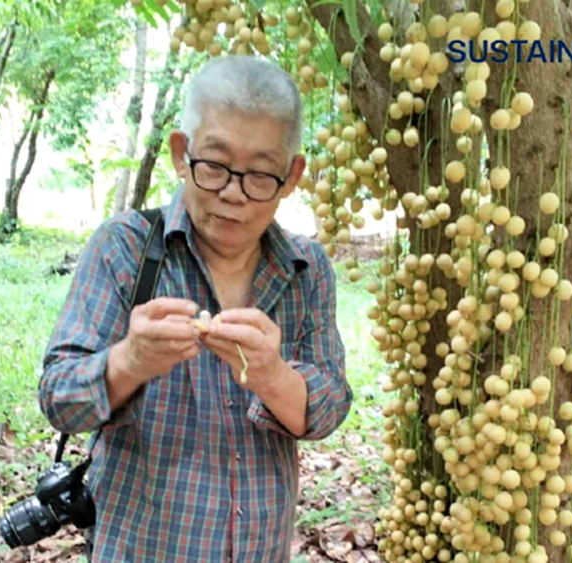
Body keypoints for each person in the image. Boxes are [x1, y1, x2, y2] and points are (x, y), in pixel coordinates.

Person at [38, 55, 354, 563]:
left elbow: (328, 406)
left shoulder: (306, 268)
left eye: (260, 175)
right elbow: (59, 399)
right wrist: (130, 360)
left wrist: (272, 375)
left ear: (292, 176)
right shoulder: (125, 249)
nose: (233, 193)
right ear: (181, 154)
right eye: (214, 166)